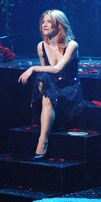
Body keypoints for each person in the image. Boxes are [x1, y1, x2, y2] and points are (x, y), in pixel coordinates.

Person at [18, 10, 85, 160]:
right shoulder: (41, 46)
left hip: (69, 89)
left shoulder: (71, 45)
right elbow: (45, 73)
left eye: (49, 21)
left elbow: (57, 69)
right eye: (43, 22)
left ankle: (43, 140)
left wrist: (32, 68)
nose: (45, 25)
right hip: (51, 89)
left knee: (48, 92)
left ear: (59, 25)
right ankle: (43, 138)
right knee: (46, 89)